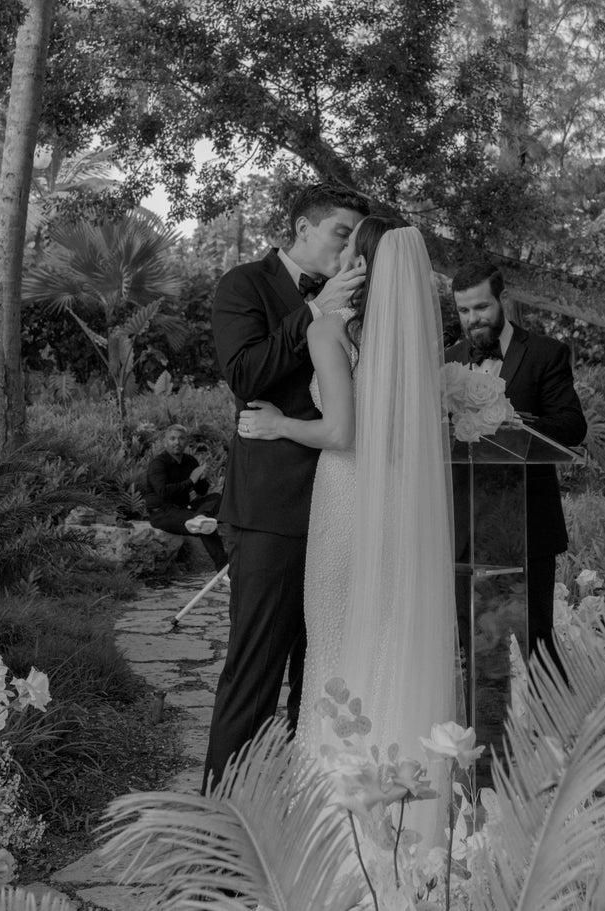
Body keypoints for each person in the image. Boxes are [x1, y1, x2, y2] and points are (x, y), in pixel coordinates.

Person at [238, 218, 458, 845]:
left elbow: (340, 433)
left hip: (345, 502)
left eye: (347, 245)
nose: (337, 253)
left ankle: (335, 832)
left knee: (336, 648)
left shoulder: (328, 329)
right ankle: (404, 816)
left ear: (361, 266)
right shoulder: (411, 341)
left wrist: (279, 424)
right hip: (399, 508)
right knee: (389, 636)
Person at [201, 183, 370, 792]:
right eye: (341, 234)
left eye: (357, 239)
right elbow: (247, 375)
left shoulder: (363, 301)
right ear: (303, 228)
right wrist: (314, 311)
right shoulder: (244, 285)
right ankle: (224, 829)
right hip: (273, 510)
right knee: (254, 673)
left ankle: (303, 813)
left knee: (322, 676)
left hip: (343, 507)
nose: (351, 250)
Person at [445, 257, 587, 666]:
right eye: (465, 311)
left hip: (527, 523)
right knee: (476, 643)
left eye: (482, 307)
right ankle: (490, 729)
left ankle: (552, 727)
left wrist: (521, 423)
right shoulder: (448, 360)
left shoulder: (545, 353)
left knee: (535, 639)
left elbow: (573, 425)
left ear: (502, 299)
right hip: (467, 525)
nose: (474, 319)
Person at [145, 424, 227, 570]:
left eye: (181, 438)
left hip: (183, 508)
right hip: (162, 513)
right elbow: (163, 492)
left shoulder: (190, 461)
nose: (177, 442)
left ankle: (200, 516)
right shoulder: (158, 464)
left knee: (216, 497)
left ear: (186, 441)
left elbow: (202, 491)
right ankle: (224, 568)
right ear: (165, 442)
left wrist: (202, 478)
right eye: (173, 438)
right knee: (206, 527)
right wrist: (191, 480)